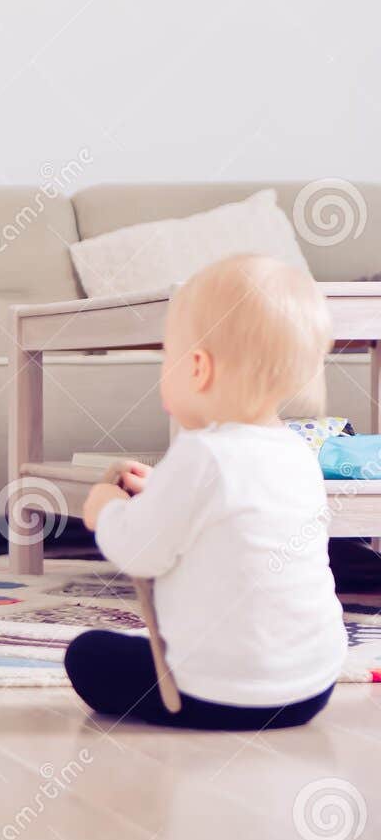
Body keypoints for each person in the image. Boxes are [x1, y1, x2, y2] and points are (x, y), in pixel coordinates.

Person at [72, 254, 347, 729]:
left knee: (88, 655)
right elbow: (237, 515)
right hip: (312, 686)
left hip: (217, 695)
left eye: (166, 355)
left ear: (197, 368)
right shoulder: (297, 453)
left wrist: (107, 510)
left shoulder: (201, 454)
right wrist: (161, 490)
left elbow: (141, 552)